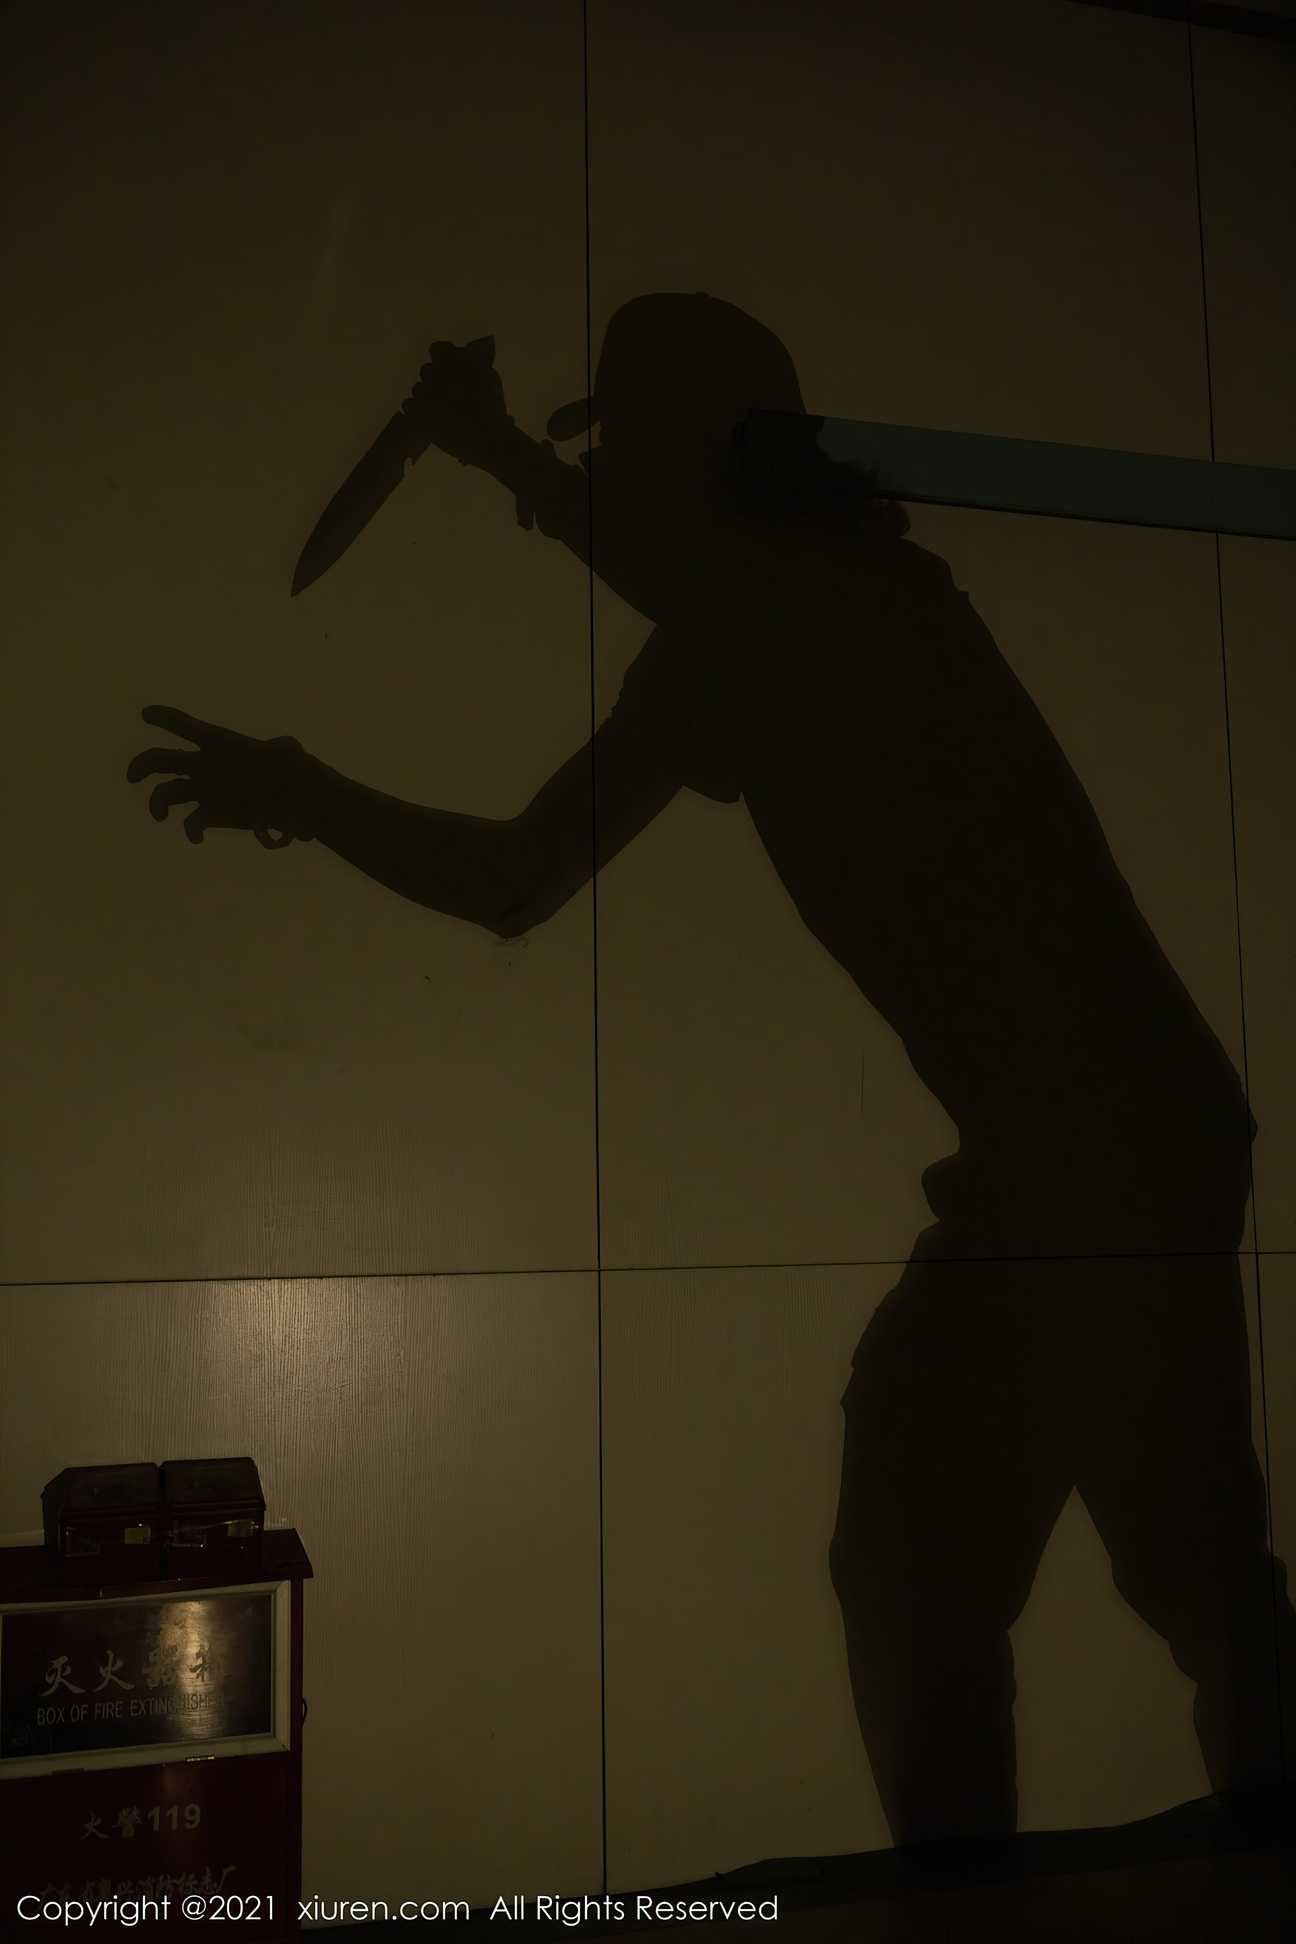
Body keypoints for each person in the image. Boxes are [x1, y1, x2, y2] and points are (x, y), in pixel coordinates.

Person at [127, 292, 1294, 1844]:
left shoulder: (837, 605)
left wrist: (477, 482)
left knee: (1159, 1562)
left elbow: (537, 839)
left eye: (631, 452)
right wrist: (488, 479)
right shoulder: (786, 620)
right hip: (1064, 1155)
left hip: (1114, 1145)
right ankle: (981, 1889)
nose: (614, 484)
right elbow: (538, 835)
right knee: (943, 1551)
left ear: (704, 459)